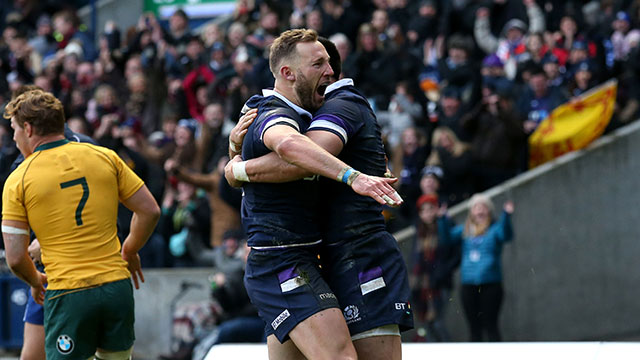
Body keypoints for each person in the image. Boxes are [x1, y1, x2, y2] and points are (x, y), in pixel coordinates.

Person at [225, 36, 413, 360]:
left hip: (353, 255)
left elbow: (302, 158)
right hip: (288, 260)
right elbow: (292, 151)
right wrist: (234, 165)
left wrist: (236, 168)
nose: (327, 71)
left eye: (327, 63)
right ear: (289, 73)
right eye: (317, 64)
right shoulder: (276, 113)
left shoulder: (337, 105)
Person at [1, 90, 160, 359]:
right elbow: (150, 211)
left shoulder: (20, 178)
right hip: (116, 287)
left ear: (27, 129)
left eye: (15, 129)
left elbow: (16, 258)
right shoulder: (104, 155)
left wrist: (35, 280)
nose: (15, 138)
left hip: (68, 293)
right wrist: (129, 250)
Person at [438, 194, 514, 342]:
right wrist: (442, 220)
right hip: (469, 285)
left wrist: (506, 216)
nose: (480, 211)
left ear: (489, 211)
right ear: (471, 211)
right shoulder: (465, 230)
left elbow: (506, 235)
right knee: (474, 328)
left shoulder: (495, 228)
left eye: (483, 207)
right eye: (476, 207)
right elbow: (446, 239)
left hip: (491, 284)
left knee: (491, 326)